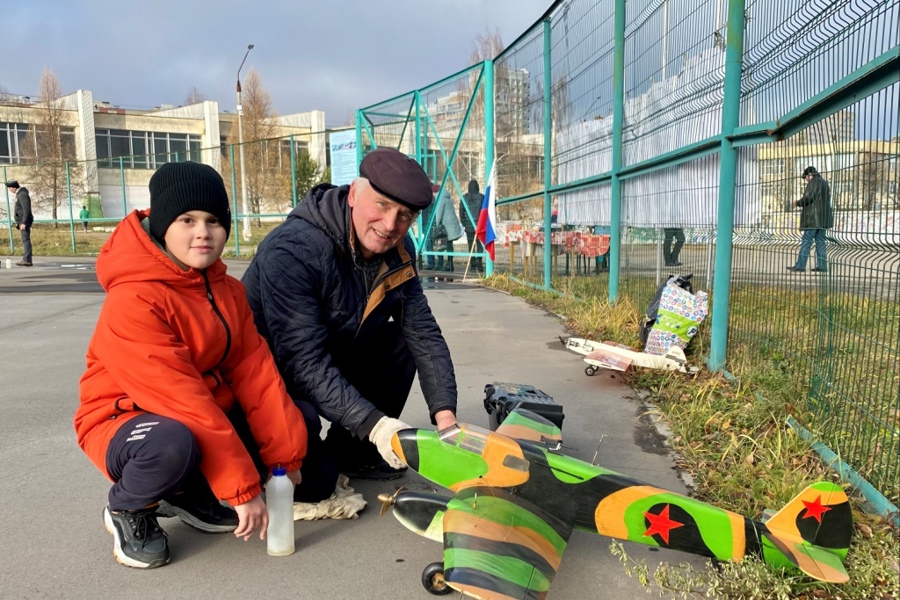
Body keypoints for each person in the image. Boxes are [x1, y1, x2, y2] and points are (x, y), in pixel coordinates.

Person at [74, 161, 308, 569]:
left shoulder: (227, 291)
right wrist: (242, 490)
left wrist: (284, 461)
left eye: (214, 220)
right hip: (124, 420)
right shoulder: (133, 299)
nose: (203, 232)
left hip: (196, 411)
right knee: (171, 443)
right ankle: (128, 507)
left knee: (304, 447)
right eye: (187, 219)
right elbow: (181, 400)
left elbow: (257, 375)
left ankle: (186, 494)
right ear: (164, 224)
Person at [242, 147, 458, 498]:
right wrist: (376, 426)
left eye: (405, 216)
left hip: (329, 355)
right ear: (354, 193)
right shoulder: (295, 248)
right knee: (314, 485)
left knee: (399, 342)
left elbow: (423, 332)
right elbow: (302, 361)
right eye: (383, 206)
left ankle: (353, 453)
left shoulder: (400, 251)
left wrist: (446, 419)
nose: (391, 226)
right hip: (271, 376)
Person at [788, 166, 833, 273]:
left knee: (806, 242)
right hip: (823, 219)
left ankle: (800, 266)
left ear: (810, 174)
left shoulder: (813, 182)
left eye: (806, 178)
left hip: (813, 219)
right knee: (821, 242)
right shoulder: (825, 183)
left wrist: (797, 203)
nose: (806, 180)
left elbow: (808, 198)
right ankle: (822, 266)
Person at [432, 184, 463, 272]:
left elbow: (439, 213)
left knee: (440, 245)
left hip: (446, 226)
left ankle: (442, 264)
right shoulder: (447, 198)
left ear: (434, 192)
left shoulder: (440, 199)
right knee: (449, 245)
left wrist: (436, 224)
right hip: (451, 225)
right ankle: (449, 263)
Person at [6, 180, 34, 266]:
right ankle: (26, 259)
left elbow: (26, 209)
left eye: (10, 188)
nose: (10, 190)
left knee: (25, 239)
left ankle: (27, 260)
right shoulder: (20, 194)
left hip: (24, 221)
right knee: (24, 239)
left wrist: (24, 222)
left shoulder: (22, 195)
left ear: (15, 187)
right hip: (21, 220)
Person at [461, 179, 485, 270]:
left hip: (469, 224)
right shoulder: (482, 197)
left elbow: (461, 211)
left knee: (471, 244)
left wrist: (464, 222)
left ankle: (472, 263)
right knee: (479, 244)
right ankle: (479, 261)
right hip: (480, 224)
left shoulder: (465, 197)